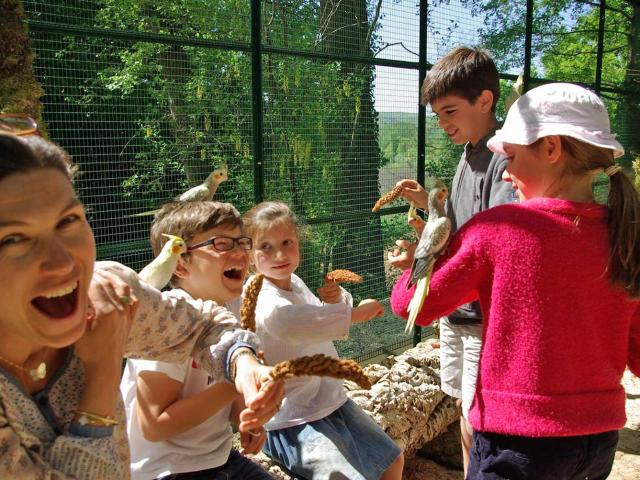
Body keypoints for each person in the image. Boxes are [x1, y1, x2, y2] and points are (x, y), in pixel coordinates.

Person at [0, 121, 283, 479]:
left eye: (68, 220)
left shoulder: (106, 293)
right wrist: (102, 371)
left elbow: (202, 325)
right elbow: (155, 422)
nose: (63, 261)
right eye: (12, 239)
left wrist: (243, 363)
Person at [390, 82, 640, 479]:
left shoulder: (500, 228)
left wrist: (417, 262)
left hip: (519, 442)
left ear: (552, 149)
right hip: (597, 443)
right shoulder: (624, 234)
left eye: (511, 155)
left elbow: (412, 306)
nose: (505, 172)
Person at [389, 46, 515, 475]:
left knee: (480, 414)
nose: (443, 124)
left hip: (481, 314)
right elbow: (462, 225)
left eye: (450, 112)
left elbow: (493, 242)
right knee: (465, 407)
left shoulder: (502, 161)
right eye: (437, 116)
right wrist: (430, 207)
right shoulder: (468, 154)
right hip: (457, 314)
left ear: (485, 101)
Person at [243, 201, 405, 480]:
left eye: (287, 242)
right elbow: (290, 322)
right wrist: (354, 314)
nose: (279, 253)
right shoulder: (260, 294)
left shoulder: (294, 282)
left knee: (391, 460)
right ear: (248, 254)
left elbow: (316, 317)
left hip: (331, 402)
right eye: (266, 247)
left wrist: (336, 299)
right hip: (290, 419)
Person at [121, 201, 272, 480]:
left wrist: (245, 417)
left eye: (242, 242)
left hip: (219, 459)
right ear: (180, 264)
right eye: (222, 244)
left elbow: (221, 399)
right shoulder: (168, 321)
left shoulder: (227, 311)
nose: (240, 252)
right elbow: (154, 424)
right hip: (165, 471)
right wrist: (231, 384)